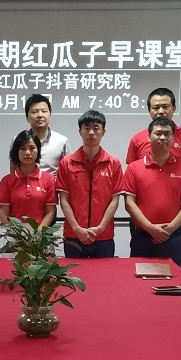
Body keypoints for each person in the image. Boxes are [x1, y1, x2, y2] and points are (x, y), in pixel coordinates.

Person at [119, 118, 181, 266]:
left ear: (173, 137)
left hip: (173, 237)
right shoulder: (134, 168)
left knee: (176, 278)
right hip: (142, 237)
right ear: (149, 137)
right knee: (140, 278)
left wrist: (169, 230)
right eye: (158, 133)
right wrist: (150, 228)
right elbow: (129, 203)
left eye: (167, 134)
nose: (162, 137)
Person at [56, 110, 123, 258]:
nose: (91, 133)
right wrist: (77, 228)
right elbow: (64, 200)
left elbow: (115, 200)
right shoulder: (67, 163)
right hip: (73, 235)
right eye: (87, 128)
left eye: (96, 128)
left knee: (104, 273)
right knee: (73, 272)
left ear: (103, 132)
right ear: (80, 132)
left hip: (103, 236)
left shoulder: (113, 163)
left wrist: (101, 227)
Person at [124, 87, 181, 166]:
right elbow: (132, 170)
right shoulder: (137, 140)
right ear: (149, 110)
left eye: (165, 107)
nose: (161, 111)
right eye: (156, 108)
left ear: (174, 108)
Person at [0, 130, 57, 228]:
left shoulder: (48, 179)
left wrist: (38, 234)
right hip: (15, 234)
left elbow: (50, 212)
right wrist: (19, 234)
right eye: (22, 148)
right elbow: (4, 217)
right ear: (16, 151)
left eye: (32, 148)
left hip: (40, 234)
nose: (27, 153)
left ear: (38, 150)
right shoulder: (6, 181)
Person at [21, 93, 69, 175]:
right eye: (35, 112)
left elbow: (67, 172)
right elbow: (14, 174)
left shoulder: (62, 141)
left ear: (50, 115)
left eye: (44, 111)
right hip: (26, 183)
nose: (40, 115)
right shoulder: (19, 140)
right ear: (27, 117)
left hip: (53, 183)